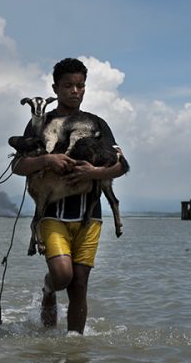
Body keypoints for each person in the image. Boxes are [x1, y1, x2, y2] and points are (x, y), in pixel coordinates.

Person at [11, 57, 129, 334]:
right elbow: (18, 166)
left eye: (80, 86)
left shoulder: (96, 124)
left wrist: (94, 174)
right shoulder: (40, 125)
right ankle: (48, 288)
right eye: (68, 86)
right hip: (52, 213)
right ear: (55, 88)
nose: (74, 91)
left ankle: (74, 347)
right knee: (63, 276)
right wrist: (47, 160)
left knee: (79, 284)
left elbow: (122, 165)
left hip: (90, 216)